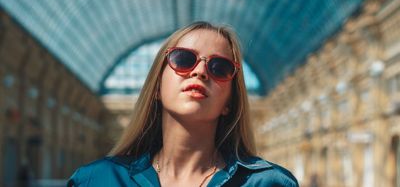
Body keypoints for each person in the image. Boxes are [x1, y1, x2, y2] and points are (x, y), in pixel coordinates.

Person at [67, 21, 298, 186]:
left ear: (229, 102)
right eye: (183, 59)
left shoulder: (268, 183)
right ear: (156, 87)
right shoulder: (96, 180)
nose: (200, 72)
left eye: (219, 67)